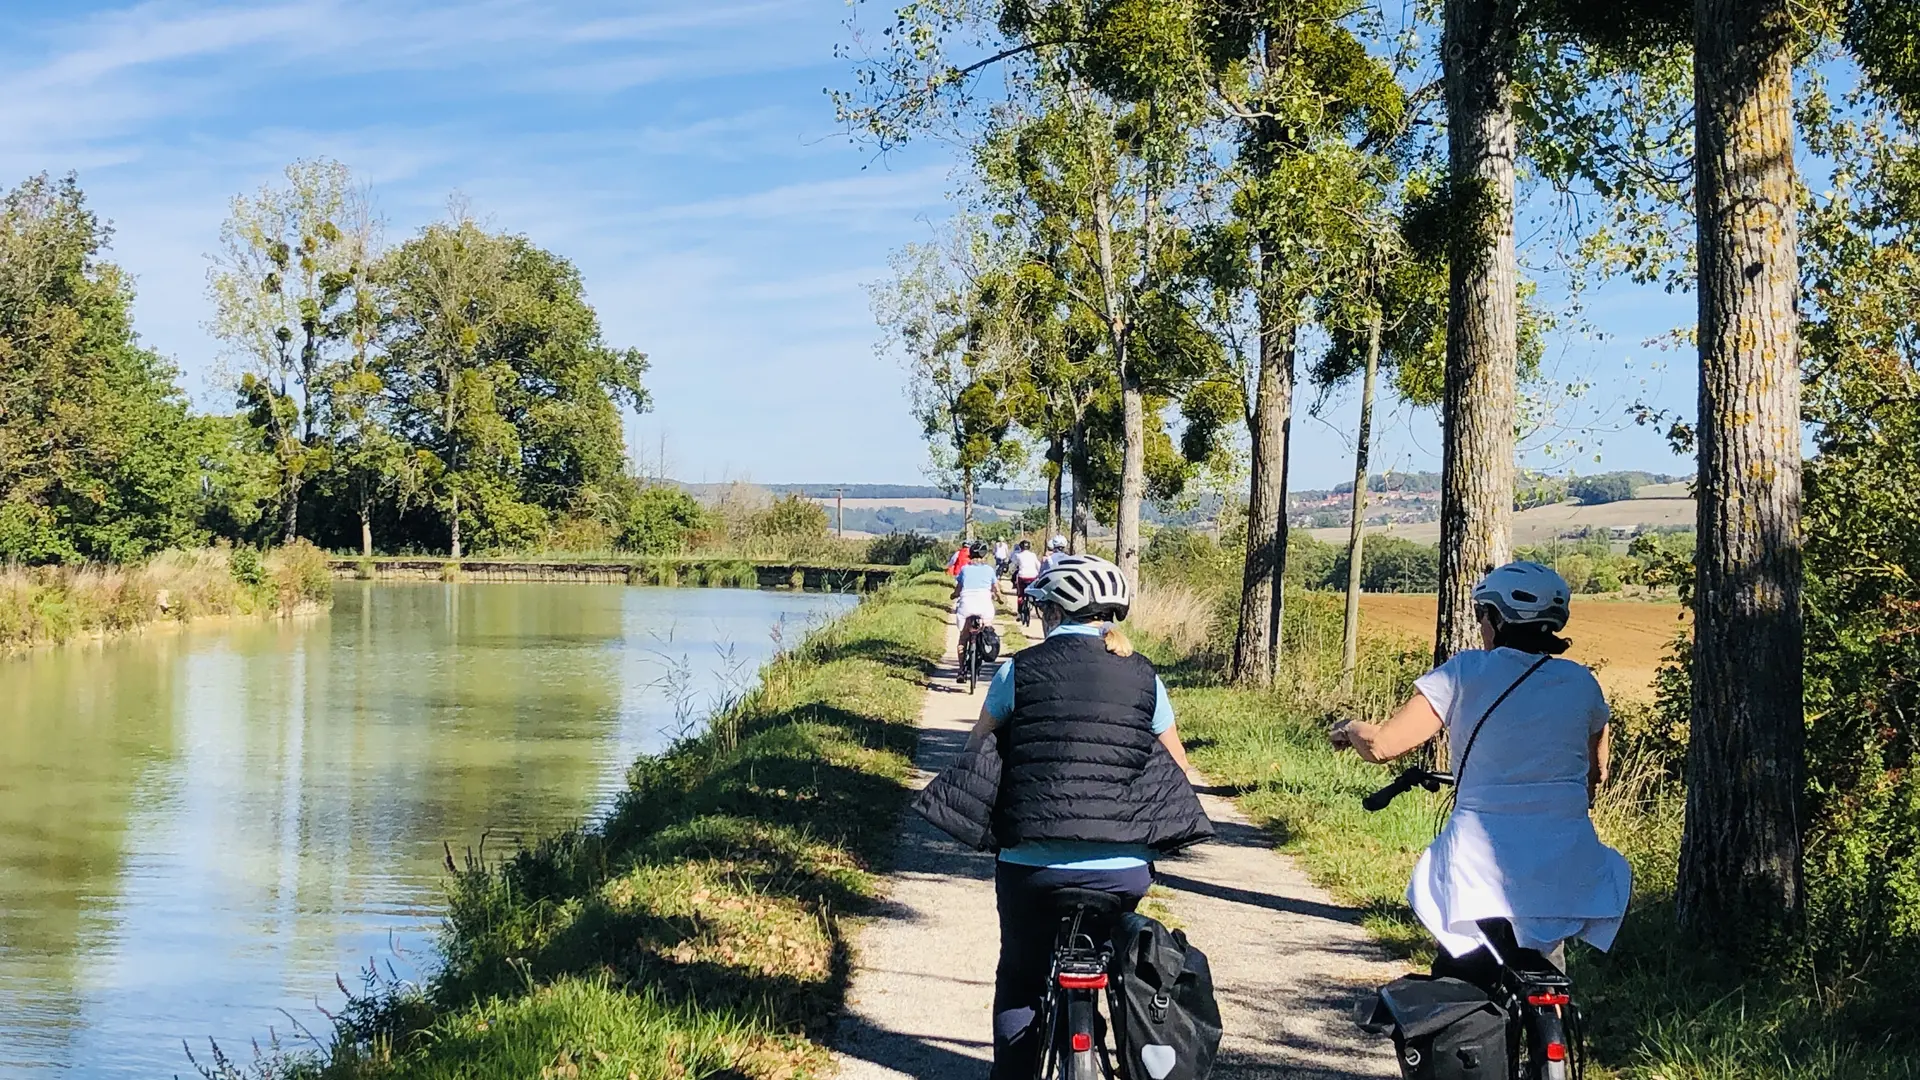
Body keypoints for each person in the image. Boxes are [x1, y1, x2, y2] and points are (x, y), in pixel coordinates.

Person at [965, 554, 1212, 1077]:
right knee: (1116, 965)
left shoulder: (1018, 671)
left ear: (1052, 612)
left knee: (1022, 979)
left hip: (1032, 869)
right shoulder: (1145, 676)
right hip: (1120, 870)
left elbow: (976, 753)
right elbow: (1178, 768)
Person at [1329, 561, 1631, 989]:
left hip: (1480, 862)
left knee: (1462, 982)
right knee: (1546, 963)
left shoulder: (1465, 671)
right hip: (1567, 860)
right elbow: (1598, 770)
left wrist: (1350, 729)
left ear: (1498, 619)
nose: (1480, 626)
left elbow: (1383, 746)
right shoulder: (1582, 682)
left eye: (1481, 615)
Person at [951, 541, 1000, 681]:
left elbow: (958, 588)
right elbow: (996, 588)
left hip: (966, 604)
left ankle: (961, 671)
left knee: (963, 638)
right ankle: (984, 643)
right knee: (987, 629)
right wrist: (1000, 598)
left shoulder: (965, 569)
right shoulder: (990, 570)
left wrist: (954, 595)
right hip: (984, 605)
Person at [1010, 540, 1043, 619]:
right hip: (1033, 576)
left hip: (1022, 576)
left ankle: (1019, 613)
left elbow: (1014, 565)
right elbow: (1038, 566)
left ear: (1020, 547)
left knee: (1020, 594)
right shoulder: (1033, 555)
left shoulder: (1018, 555)